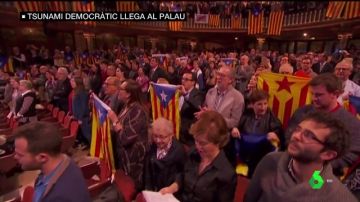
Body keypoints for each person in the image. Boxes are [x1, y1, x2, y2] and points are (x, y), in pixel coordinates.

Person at [244, 111, 357, 202]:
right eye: (298, 129)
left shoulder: (338, 196)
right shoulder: (270, 161)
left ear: (327, 154)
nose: (296, 136)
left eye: (309, 136)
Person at [288, 73, 360, 176]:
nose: (313, 98)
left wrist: (319, 166)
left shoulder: (352, 123)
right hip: (292, 168)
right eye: (312, 94)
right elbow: (288, 137)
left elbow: (351, 154)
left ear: (335, 94)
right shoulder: (302, 112)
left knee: (310, 192)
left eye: (318, 95)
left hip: (323, 176)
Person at [160, 111, 237, 202]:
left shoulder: (226, 174)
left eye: (203, 143)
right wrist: (172, 188)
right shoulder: (193, 153)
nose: (198, 146)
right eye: (196, 141)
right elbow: (183, 175)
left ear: (218, 142)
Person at [13, 121, 91, 202]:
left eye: (20, 154)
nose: (15, 157)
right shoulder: (64, 160)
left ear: (42, 157)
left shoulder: (59, 197)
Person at [107, 79, 149, 191]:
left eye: (121, 89)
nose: (118, 91)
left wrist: (115, 121)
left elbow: (126, 138)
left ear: (129, 94)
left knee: (130, 189)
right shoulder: (126, 106)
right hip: (124, 156)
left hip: (133, 158)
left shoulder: (137, 110)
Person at [231, 90, 284, 177]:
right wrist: (235, 130)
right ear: (252, 105)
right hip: (244, 160)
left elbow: (280, 142)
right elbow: (238, 130)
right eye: (259, 104)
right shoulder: (246, 116)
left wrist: (276, 138)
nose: (263, 107)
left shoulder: (272, 120)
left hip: (261, 162)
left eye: (265, 103)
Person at [144, 117, 186, 192]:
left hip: (169, 193)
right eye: (155, 136)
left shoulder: (179, 150)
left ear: (171, 135)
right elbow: (147, 172)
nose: (158, 140)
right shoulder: (152, 146)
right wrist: (148, 191)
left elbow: (182, 174)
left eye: (161, 137)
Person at [179, 72, 204, 146]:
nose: (183, 81)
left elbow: (196, 106)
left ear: (193, 82)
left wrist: (186, 95)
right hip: (178, 130)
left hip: (188, 134)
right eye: (182, 79)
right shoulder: (179, 92)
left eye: (186, 79)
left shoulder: (198, 93)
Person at [70, 77, 91, 147]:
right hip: (79, 117)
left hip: (83, 118)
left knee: (88, 134)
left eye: (73, 82)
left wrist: (80, 118)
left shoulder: (82, 93)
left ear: (77, 83)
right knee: (85, 134)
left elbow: (83, 106)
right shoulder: (76, 91)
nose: (71, 83)